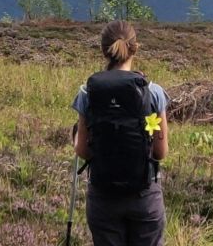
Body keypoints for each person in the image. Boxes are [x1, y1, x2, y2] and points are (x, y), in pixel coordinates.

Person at [72, 21, 169, 246]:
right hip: (145, 196)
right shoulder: (153, 93)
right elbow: (160, 152)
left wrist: (76, 137)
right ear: (135, 48)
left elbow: (84, 151)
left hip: (103, 197)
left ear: (103, 50)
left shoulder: (88, 93)